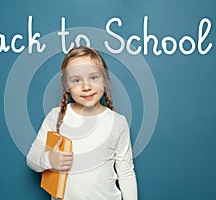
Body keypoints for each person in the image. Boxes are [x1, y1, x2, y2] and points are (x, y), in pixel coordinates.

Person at [26, 46, 138, 200]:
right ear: (66, 86)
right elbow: (32, 159)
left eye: (93, 77)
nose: (86, 87)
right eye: (76, 80)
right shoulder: (56, 116)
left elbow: (126, 173)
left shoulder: (118, 122)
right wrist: (49, 160)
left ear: (105, 79)